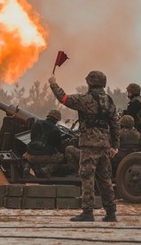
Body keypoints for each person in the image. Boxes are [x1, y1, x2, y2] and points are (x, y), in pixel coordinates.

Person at [49, 71, 119, 222]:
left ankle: (88, 212)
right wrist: (115, 145)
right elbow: (115, 125)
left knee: (87, 177)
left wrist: (53, 84)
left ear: (90, 83)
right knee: (105, 179)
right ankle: (111, 212)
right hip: (104, 145)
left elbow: (64, 98)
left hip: (89, 145)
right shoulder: (109, 101)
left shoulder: (85, 99)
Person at [23, 109, 65, 177]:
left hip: (31, 156)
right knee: (61, 157)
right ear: (56, 119)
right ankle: (46, 169)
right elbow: (58, 146)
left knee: (24, 156)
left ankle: (26, 167)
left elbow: (32, 138)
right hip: (45, 157)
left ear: (48, 116)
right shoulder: (56, 129)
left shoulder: (37, 124)